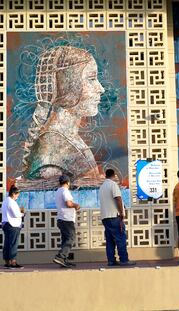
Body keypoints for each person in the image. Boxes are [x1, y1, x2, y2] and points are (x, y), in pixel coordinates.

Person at [21, 46, 105, 186]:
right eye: (91, 79)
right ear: (67, 85)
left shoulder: (69, 138)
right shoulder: (50, 149)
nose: (101, 89)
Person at [99, 169, 135, 266]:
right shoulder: (113, 185)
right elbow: (118, 198)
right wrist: (121, 212)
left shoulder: (102, 187)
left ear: (106, 175)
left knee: (110, 240)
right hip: (114, 216)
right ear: (114, 175)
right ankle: (124, 260)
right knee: (120, 238)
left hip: (105, 217)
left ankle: (111, 261)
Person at [53, 175, 80, 268]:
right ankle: (61, 256)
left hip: (61, 218)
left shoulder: (58, 191)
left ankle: (63, 261)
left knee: (65, 240)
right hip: (67, 219)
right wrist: (76, 205)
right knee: (71, 238)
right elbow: (68, 203)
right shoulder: (65, 191)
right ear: (68, 182)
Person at [1, 186, 24, 269]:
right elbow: (16, 214)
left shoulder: (5, 201)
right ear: (14, 194)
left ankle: (7, 261)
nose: (17, 197)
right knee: (13, 244)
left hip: (6, 224)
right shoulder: (12, 202)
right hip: (12, 225)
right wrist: (22, 213)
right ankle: (13, 262)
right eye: (17, 195)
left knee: (7, 243)